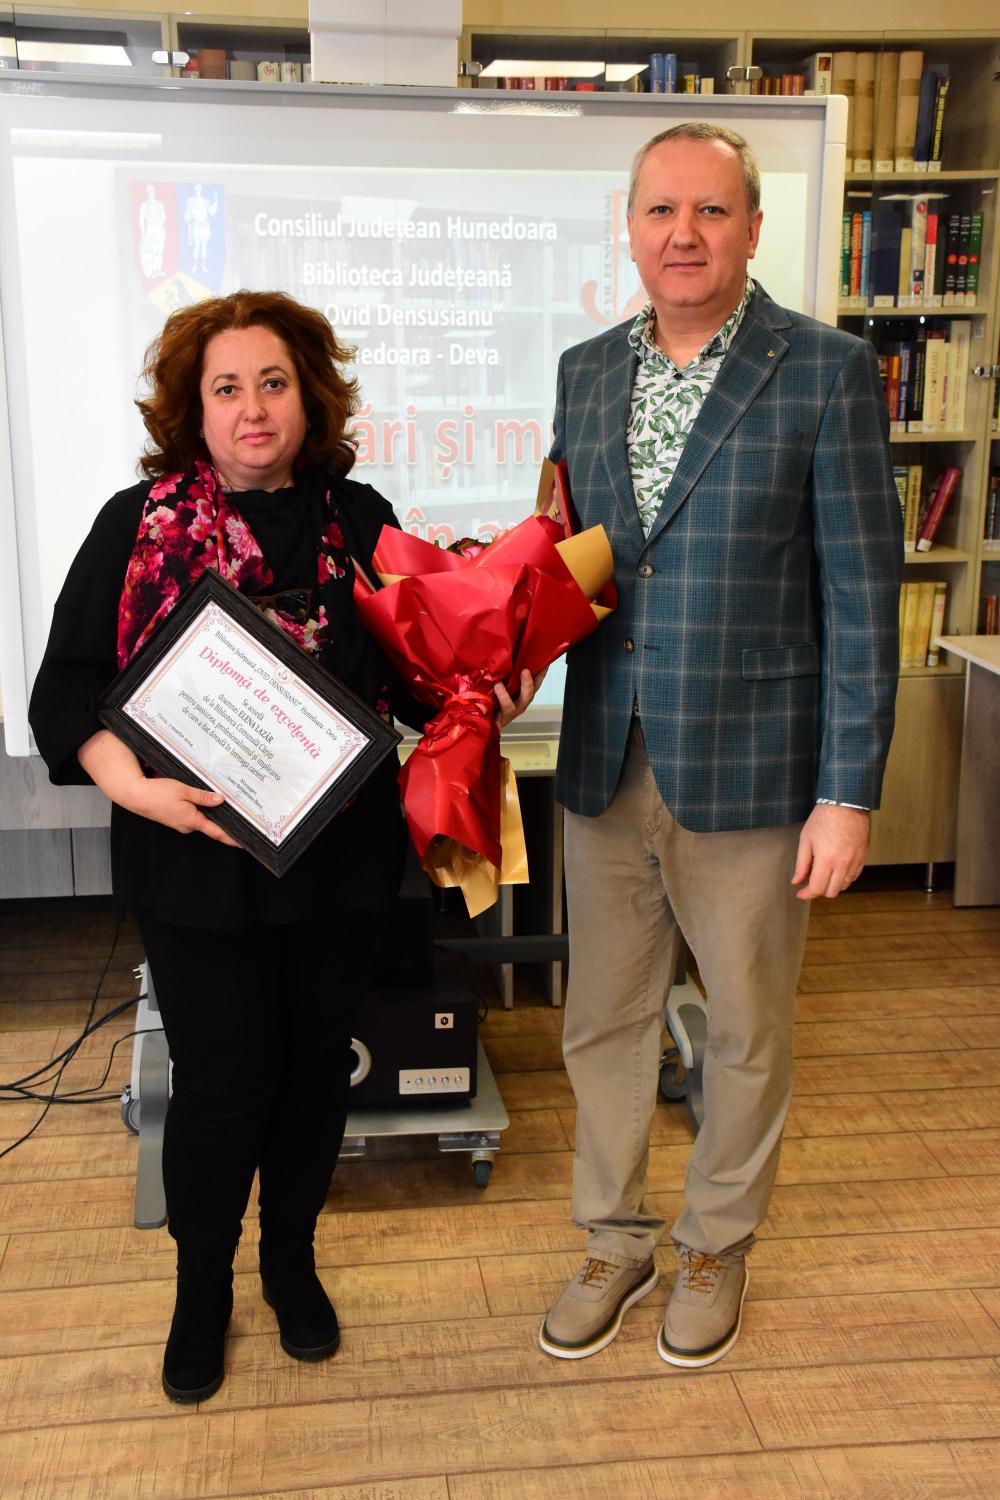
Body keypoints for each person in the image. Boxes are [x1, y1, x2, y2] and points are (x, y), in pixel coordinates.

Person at [28, 289, 537, 1404]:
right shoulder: (135, 522)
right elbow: (64, 694)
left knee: (313, 1077)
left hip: (337, 861)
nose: (253, 408)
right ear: (193, 408)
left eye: (274, 383)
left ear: (309, 399)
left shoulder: (360, 517)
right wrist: (137, 788)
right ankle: (200, 1290)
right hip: (191, 860)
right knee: (220, 1087)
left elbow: (416, 679)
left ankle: (290, 1264)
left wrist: (484, 686)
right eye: (227, 387)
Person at [539, 124, 902, 1370]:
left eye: (709, 210)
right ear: (629, 228)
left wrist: (846, 793)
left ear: (751, 225)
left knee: (745, 1027)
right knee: (601, 1022)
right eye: (660, 211)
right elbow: (571, 558)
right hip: (603, 754)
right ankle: (614, 1237)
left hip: (754, 767)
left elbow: (861, 594)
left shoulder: (826, 370)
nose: (682, 234)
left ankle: (713, 1244)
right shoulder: (585, 370)